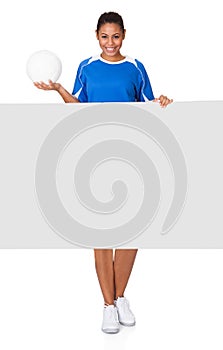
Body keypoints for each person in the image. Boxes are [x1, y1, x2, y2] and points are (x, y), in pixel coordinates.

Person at [34, 11, 173, 334]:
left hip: (133, 153)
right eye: (104, 36)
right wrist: (57, 89)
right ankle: (108, 306)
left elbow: (149, 105)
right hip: (93, 152)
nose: (110, 43)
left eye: (116, 36)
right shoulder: (86, 67)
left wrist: (163, 101)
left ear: (124, 35)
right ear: (96, 36)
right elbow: (77, 104)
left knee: (132, 231)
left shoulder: (136, 67)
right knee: (100, 233)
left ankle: (121, 296)